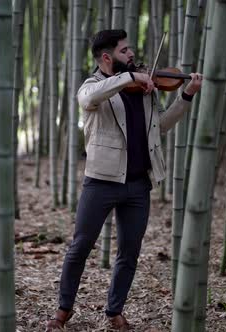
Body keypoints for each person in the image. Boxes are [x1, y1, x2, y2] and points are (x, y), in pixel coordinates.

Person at [46, 29, 203, 331]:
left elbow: (161, 127)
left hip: (137, 185)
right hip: (101, 181)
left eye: (130, 50)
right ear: (106, 57)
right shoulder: (93, 86)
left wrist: (185, 96)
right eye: (124, 51)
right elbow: (89, 98)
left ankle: (114, 310)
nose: (132, 55)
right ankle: (63, 310)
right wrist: (130, 79)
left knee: (129, 253)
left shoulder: (146, 90)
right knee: (80, 247)